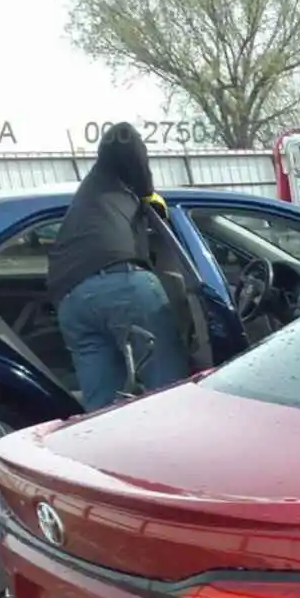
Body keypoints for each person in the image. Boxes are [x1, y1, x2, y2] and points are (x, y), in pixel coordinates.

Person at [48, 122, 191, 411]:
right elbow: (123, 134)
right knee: (168, 394)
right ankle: (175, 448)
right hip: (121, 284)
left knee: (102, 408)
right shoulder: (122, 183)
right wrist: (148, 192)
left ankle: (101, 454)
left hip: (70, 300)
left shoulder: (91, 193)